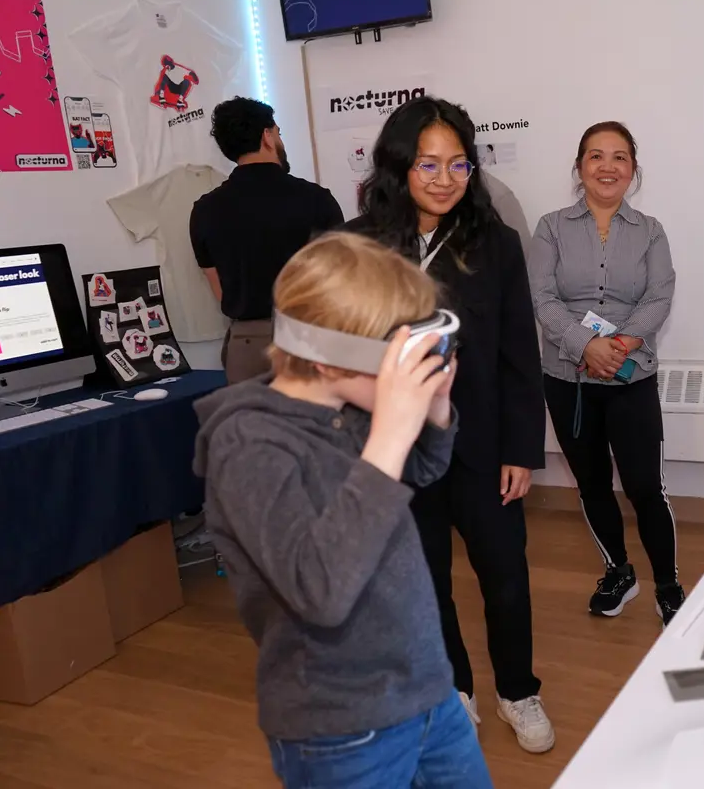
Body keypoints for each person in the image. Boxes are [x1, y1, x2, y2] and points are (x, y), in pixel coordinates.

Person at [193, 232, 494, 789]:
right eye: (401, 356)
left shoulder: (348, 406)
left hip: (429, 692)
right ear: (330, 361)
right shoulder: (250, 448)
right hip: (342, 729)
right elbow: (320, 591)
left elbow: (420, 472)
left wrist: (433, 410)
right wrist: (388, 434)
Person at [343, 97, 552, 753]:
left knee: (506, 579)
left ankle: (518, 691)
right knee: (425, 580)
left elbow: (522, 354)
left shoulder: (497, 244)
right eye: (427, 163)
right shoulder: (360, 245)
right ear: (399, 166)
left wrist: (522, 447)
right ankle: (455, 686)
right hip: (402, 448)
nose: (443, 177)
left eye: (457, 163)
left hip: (485, 447)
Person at [528, 121, 684, 626]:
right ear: (579, 167)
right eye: (596, 156)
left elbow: (659, 295)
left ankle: (668, 583)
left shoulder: (651, 230)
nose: (607, 166)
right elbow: (542, 297)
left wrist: (616, 347)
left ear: (633, 169)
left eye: (619, 157)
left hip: (630, 377)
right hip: (567, 379)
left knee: (645, 486)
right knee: (592, 484)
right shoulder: (551, 227)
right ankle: (619, 571)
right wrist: (584, 345)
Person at [191, 96, 345, 383]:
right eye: (278, 132)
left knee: (249, 427)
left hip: (247, 345)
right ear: (267, 136)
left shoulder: (205, 210)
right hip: (309, 339)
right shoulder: (316, 200)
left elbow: (220, 290)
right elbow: (341, 279)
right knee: (313, 426)